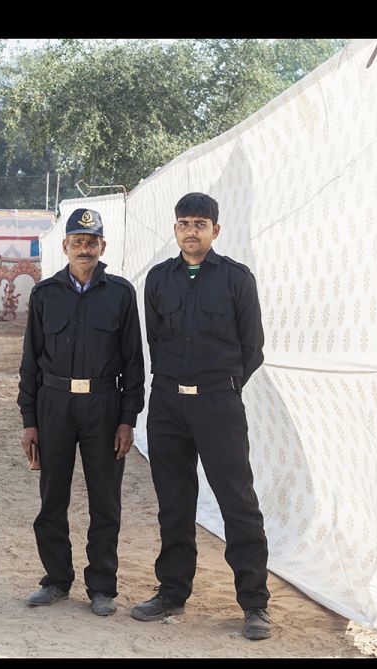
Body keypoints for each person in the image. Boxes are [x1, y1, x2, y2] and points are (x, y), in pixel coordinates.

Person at [132, 192, 271, 640]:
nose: (191, 230)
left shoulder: (236, 279)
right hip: (168, 406)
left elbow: (253, 349)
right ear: (175, 229)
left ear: (216, 229)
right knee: (174, 503)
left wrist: (221, 387)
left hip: (218, 405)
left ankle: (254, 604)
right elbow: (155, 342)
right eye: (184, 222)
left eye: (200, 223)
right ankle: (172, 592)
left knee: (238, 503)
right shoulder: (157, 280)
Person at [17, 208, 145, 617]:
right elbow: (29, 364)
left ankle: (102, 587)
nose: (84, 248)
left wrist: (128, 419)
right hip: (54, 405)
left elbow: (134, 364)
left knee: (105, 501)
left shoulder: (122, 294)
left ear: (102, 246)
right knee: (52, 498)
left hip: (104, 407)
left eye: (92, 242)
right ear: (65, 246)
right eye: (77, 241)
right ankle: (55, 580)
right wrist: (29, 421)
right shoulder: (44, 294)